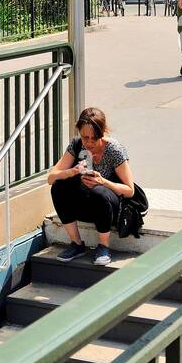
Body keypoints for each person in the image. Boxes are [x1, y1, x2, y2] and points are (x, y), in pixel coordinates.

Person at [48, 108, 135, 266]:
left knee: (98, 192)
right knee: (58, 186)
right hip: (86, 205)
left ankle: (103, 246)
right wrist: (71, 171)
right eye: (84, 137)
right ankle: (77, 244)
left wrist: (103, 181)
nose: (88, 143)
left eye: (93, 139)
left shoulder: (114, 150)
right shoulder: (77, 145)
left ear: (102, 133)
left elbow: (130, 190)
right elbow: (51, 178)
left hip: (110, 206)